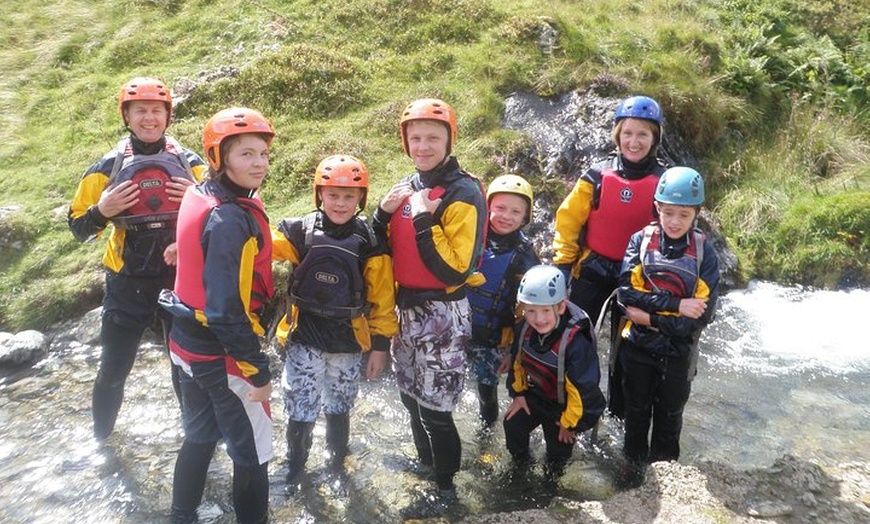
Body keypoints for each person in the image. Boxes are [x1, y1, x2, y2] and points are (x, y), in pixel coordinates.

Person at [67, 76, 206, 440]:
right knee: (114, 368)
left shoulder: (190, 163)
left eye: (156, 111)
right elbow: (78, 228)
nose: (149, 118)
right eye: (139, 111)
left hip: (179, 277)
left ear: (167, 116)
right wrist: (102, 210)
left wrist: (198, 197)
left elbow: (224, 215)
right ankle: (102, 445)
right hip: (127, 280)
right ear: (126, 116)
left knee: (186, 368)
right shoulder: (107, 168)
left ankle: (194, 443)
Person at [158, 107, 276, 524]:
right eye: (245, 154)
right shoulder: (230, 218)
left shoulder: (202, 193)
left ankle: (181, 515)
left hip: (184, 346)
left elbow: (199, 251)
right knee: (253, 455)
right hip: (222, 356)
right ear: (217, 157)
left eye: (262, 153)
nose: (258, 163)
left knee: (200, 436)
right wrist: (258, 373)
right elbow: (226, 311)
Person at [372, 98, 487, 499]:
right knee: (408, 398)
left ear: (449, 140)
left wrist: (423, 218)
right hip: (405, 310)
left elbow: (454, 269)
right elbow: (381, 247)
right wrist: (382, 215)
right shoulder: (410, 185)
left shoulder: (465, 192)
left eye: (433, 138)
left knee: (436, 412)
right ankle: (425, 467)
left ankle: (446, 489)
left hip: (443, 312)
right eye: (415, 138)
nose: (423, 146)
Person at [271, 154, 398, 487]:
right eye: (333, 194)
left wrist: (381, 346)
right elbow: (262, 247)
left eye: (349, 196)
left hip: (348, 341)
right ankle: (295, 468)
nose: (340, 203)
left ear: (361, 198)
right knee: (301, 408)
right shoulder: (299, 231)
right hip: (304, 336)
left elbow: (383, 297)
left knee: (339, 406)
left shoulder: (370, 241)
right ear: (319, 195)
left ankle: (337, 468)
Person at [551, 95, 668, 417]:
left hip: (637, 276)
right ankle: (575, 407)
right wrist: (562, 263)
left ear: (654, 138)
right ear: (617, 135)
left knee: (626, 351)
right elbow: (569, 219)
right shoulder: (597, 176)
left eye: (643, 134)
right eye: (628, 133)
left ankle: (619, 413)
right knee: (577, 341)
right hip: (592, 269)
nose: (634, 141)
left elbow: (672, 229)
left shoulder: (664, 182)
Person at [615, 166, 720, 487]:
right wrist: (676, 306)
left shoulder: (704, 252)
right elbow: (626, 295)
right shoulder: (641, 241)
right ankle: (632, 476)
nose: (674, 221)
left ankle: (666, 477)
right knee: (635, 414)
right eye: (669, 213)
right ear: (658, 208)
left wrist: (649, 316)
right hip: (638, 348)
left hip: (679, 353)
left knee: (670, 418)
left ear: (696, 214)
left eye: (684, 215)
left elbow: (701, 317)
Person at [503, 265, 605, 475]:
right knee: (512, 424)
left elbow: (584, 391)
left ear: (560, 307)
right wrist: (518, 394)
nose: (538, 319)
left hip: (565, 408)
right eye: (531, 310)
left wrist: (570, 424)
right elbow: (518, 363)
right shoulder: (524, 327)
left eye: (545, 311)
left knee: (557, 453)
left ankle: (552, 481)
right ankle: (521, 467)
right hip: (536, 395)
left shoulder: (576, 343)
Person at [465, 174, 541, 429]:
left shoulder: (525, 256)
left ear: (525, 217)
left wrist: (513, 352)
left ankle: (486, 432)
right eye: (499, 208)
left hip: (494, 338)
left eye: (515, 211)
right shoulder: (471, 235)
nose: (506, 216)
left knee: (487, 392)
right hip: (458, 327)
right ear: (488, 208)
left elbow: (528, 312)